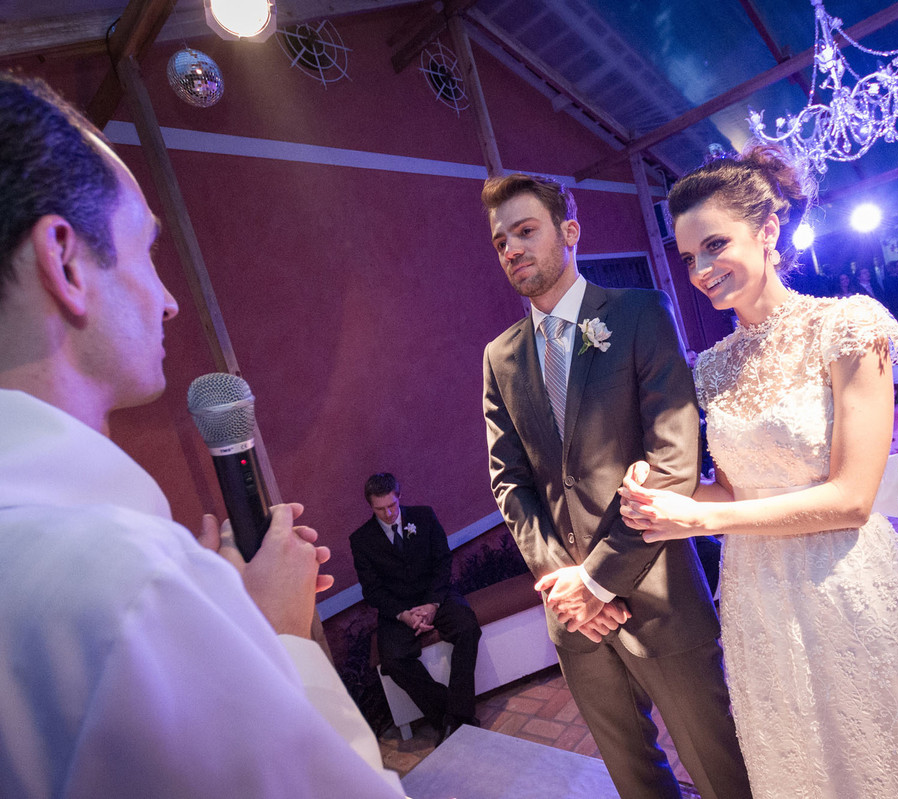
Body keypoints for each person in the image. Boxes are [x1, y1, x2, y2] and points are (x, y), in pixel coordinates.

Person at [0, 74, 402, 797]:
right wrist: (280, 635)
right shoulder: (128, 585)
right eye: (146, 251)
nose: (169, 299)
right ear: (64, 260)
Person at [620, 147, 898, 798]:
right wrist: (661, 494)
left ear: (768, 231)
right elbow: (734, 489)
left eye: (714, 245)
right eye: (689, 258)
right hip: (758, 595)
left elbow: (852, 497)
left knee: (891, 755)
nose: (702, 271)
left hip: (845, 580)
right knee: (802, 758)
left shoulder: (848, 328)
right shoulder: (709, 368)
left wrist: (699, 517)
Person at [479, 174, 751, 799]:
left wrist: (597, 579)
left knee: (721, 772)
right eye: (501, 242)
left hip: (658, 591)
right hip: (572, 616)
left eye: (526, 231)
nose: (513, 250)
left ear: (569, 233)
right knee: (636, 780)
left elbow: (674, 458)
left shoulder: (637, 314)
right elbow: (510, 481)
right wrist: (564, 586)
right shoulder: (500, 356)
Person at [350, 473, 481, 743]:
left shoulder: (424, 517)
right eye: (380, 509)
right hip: (397, 611)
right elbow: (372, 590)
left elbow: (443, 562)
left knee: (467, 627)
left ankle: (454, 718)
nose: (388, 513)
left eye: (392, 505)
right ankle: (452, 714)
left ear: (399, 497)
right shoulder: (361, 540)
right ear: (370, 506)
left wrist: (432, 603)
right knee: (393, 661)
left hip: (436, 597)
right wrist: (404, 615)